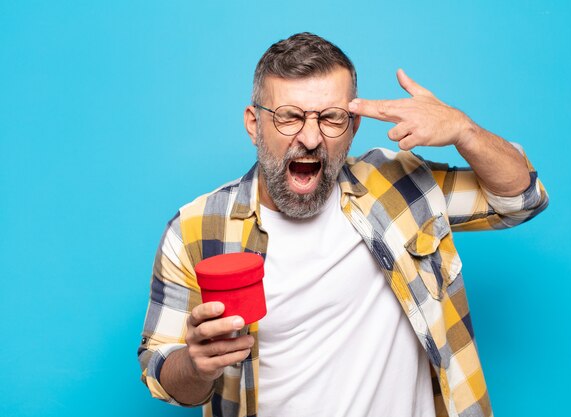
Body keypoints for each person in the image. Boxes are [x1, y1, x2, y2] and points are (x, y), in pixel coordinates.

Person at [138, 32, 548, 417]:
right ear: (253, 124)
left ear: (352, 128)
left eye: (331, 118)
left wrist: (464, 130)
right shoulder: (194, 230)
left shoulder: (399, 185)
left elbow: (521, 199)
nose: (312, 138)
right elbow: (161, 372)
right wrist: (195, 366)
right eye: (289, 116)